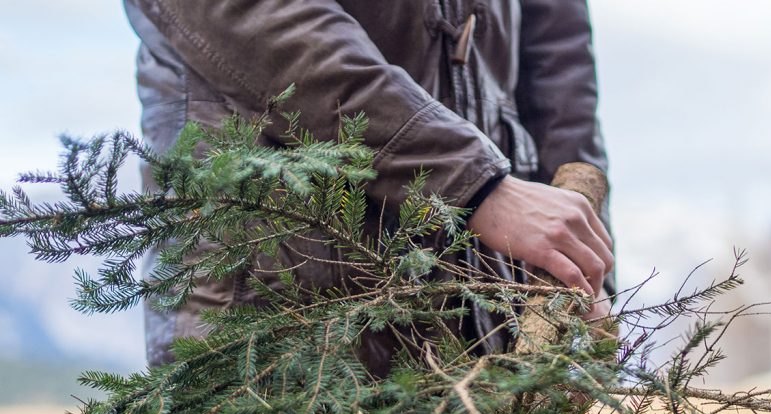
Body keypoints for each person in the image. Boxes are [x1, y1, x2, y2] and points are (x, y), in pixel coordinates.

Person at [123, 0, 614, 374]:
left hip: (487, 312)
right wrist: (470, 181)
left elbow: (559, 68)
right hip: (278, 306)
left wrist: (580, 278)